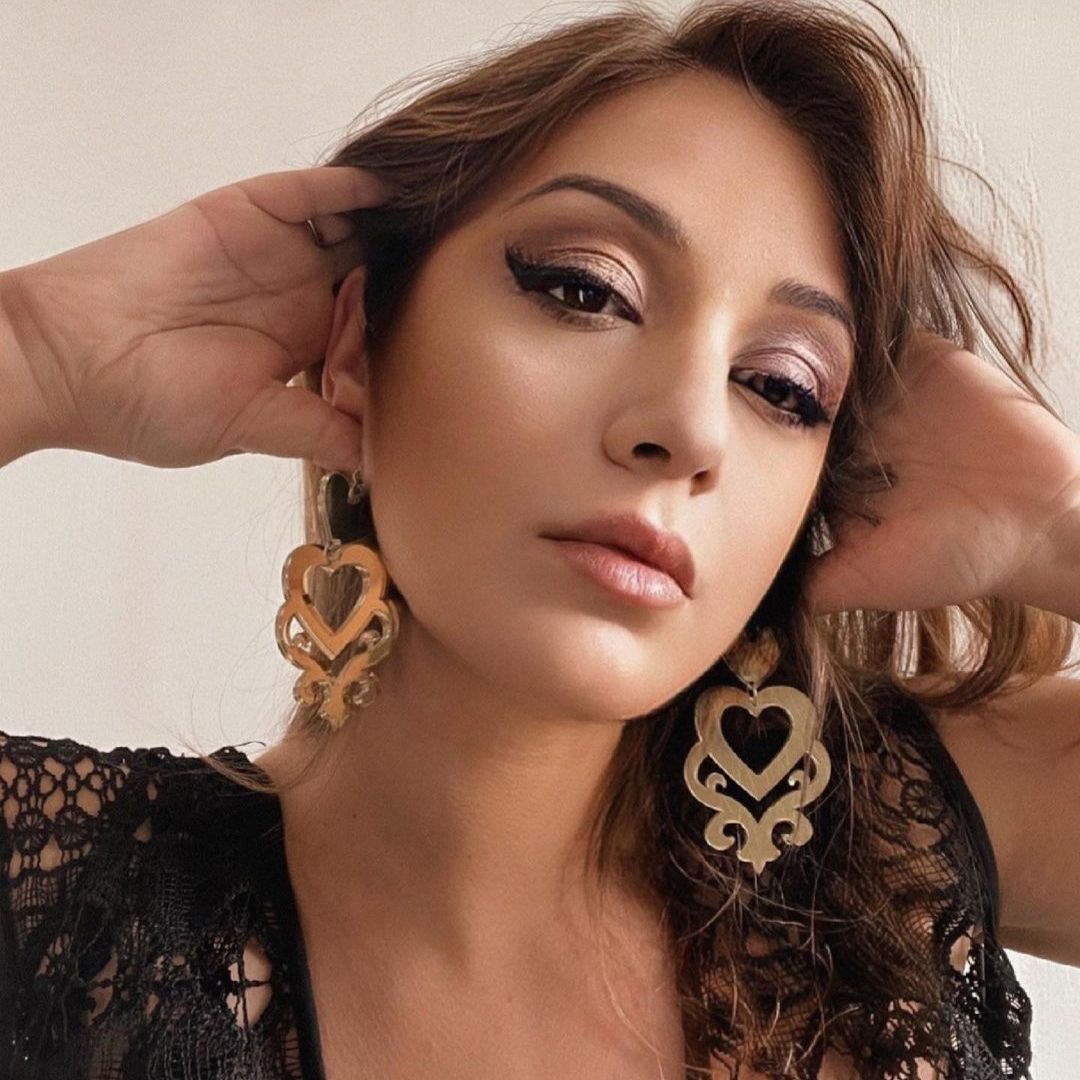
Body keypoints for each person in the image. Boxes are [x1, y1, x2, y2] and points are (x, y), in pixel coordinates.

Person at [2, 1, 1079, 1078]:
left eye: (781, 387)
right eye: (585, 289)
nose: (691, 430)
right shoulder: (58, 905)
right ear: (358, 348)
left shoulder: (894, 843)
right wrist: (34, 352)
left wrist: (1060, 525)